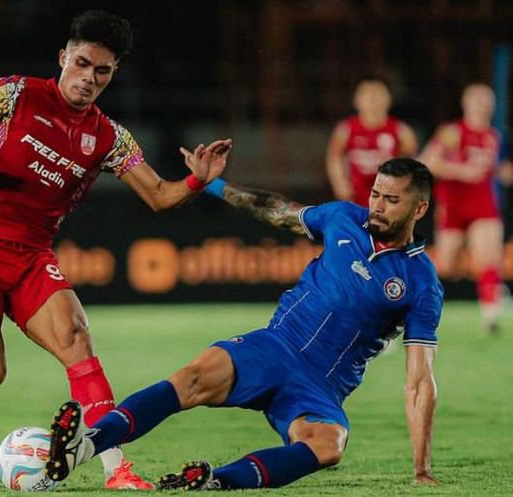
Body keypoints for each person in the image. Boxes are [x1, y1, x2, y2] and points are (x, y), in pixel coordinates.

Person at [0, 9, 232, 490]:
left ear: (112, 76)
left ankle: (118, 471)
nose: (89, 78)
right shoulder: (17, 93)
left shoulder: (109, 137)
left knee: (78, 342)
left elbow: (159, 195)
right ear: (63, 58)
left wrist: (197, 179)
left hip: (31, 258)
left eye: (102, 71)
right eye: (83, 63)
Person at [45, 158, 443, 490]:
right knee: (192, 377)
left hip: (321, 385)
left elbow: (419, 382)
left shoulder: (421, 282)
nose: (377, 205)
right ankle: (85, 446)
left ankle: (213, 481)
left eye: (391, 200)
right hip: (274, 347)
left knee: (330, 445)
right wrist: (211, 184)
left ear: (419, 209)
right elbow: (276, 209)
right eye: (375, 193)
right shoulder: (342, 218)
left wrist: (421, 467)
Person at [420, 83, 511, 333]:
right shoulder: (453, 132)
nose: (483, 105)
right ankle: (408, 302)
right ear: (466, 103)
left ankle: (491, 318)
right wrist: (462, 171)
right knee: (446, 264)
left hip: (483, 205)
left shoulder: (494, 136)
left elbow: (494, 170)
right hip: (453, 206)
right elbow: (426, 162)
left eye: (487, 100)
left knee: (488, 257)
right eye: (478, 99)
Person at [326, 77, 418, 206]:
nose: (372, 99)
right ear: (356, 100)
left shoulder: (401, 130)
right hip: (355, 196)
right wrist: (339, 183)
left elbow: (412, 161)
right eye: (367, 94)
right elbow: (334, 157)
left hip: (388, 197)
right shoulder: (345, 129)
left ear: (389, 99)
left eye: (378, 94)